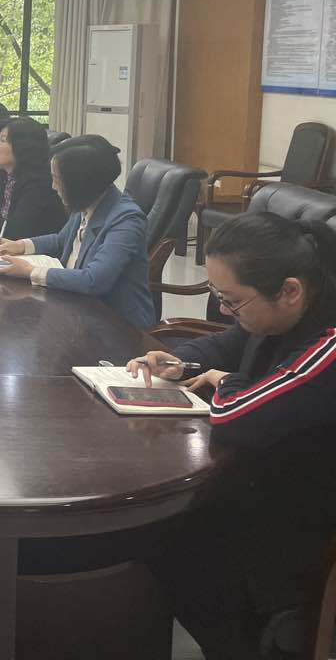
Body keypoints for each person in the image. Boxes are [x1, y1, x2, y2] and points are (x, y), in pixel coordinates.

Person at [128, 213, 336, 660]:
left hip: (293, 526)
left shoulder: (329, 346)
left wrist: (224, 380)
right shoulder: (284, 313)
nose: (225, 310)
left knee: (156, 542)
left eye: (232, 300)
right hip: (256, 484)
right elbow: (231, 341)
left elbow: (238, 414)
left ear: (290, 290)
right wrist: (180, 362)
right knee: (147, 535)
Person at [0, 135, 154, 330]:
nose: (53, 187)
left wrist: (30, 271)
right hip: (77, 310)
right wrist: (20, 245)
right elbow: (61, 240)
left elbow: (94, 280)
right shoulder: (87, 202)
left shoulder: (126, 220)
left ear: (80, 183)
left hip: (117, 326)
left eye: (57, 180)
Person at [0, 117, 66, 242]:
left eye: (2, 141)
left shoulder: (39, 184)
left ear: (23, 146)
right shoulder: (8, 177)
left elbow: (17, 231)